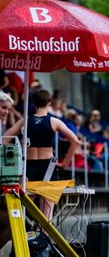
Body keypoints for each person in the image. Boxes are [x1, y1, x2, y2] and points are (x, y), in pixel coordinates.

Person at [3, 89, 81, 220]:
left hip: (28, 167)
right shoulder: (55, 122)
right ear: (49, 103)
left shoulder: (25, 121)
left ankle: (25, 237)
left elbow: (4, 139)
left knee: (23, 211)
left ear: (34, 104)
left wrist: (16, 159)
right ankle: (43, 239)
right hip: (48, 167)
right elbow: (75, 141)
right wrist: (65, 163)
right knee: (46, 214)